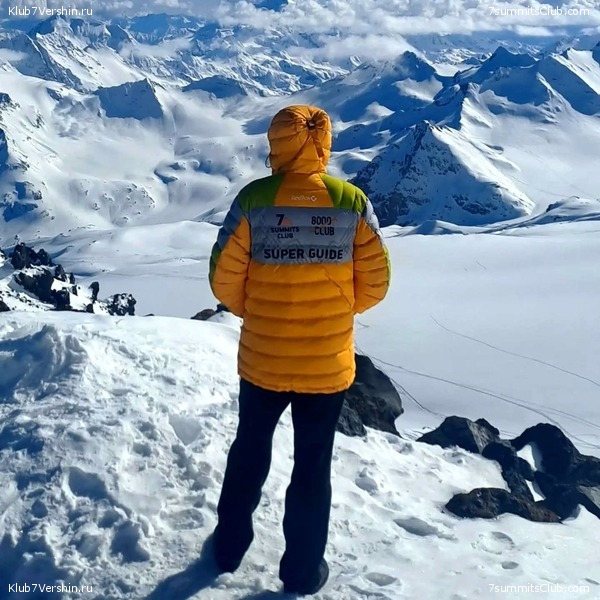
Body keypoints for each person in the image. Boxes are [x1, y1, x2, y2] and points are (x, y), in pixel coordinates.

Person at [208, 104, 390, 595]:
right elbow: (376, 283)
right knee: (313, 466)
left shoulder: (254, 200)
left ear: (277, 142)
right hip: (326, 366)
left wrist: (258, 310)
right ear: (324, 142)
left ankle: (227, 549)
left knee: (249, 451)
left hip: (263, 360)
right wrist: (337, 310)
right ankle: (303, 572)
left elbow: (223, 279)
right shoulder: (352, 202)